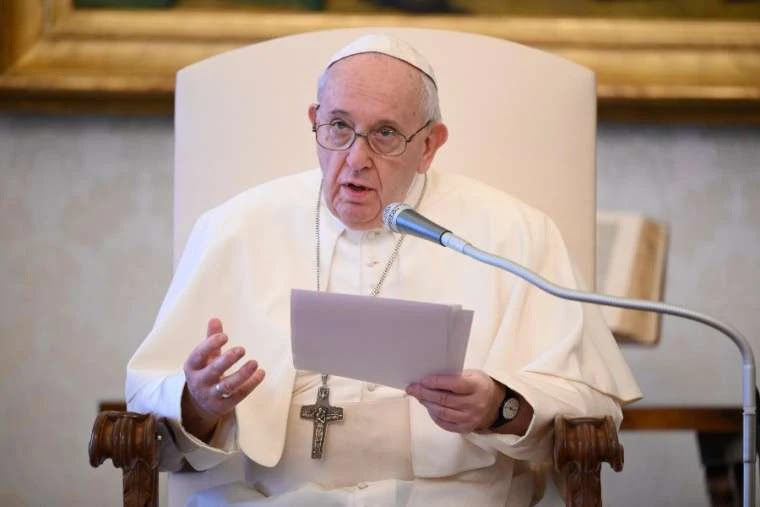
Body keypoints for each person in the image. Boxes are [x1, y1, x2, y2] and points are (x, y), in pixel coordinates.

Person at [126, 34, 641, 506]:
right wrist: (198, 404)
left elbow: (591, 405)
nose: (355, 158)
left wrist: (500, 405)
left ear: (430, 145)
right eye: (339, 127)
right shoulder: (234, 227)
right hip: (262, 498)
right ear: (315, 119)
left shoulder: (513, 232)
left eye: (386, 134)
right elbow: (149, 404)